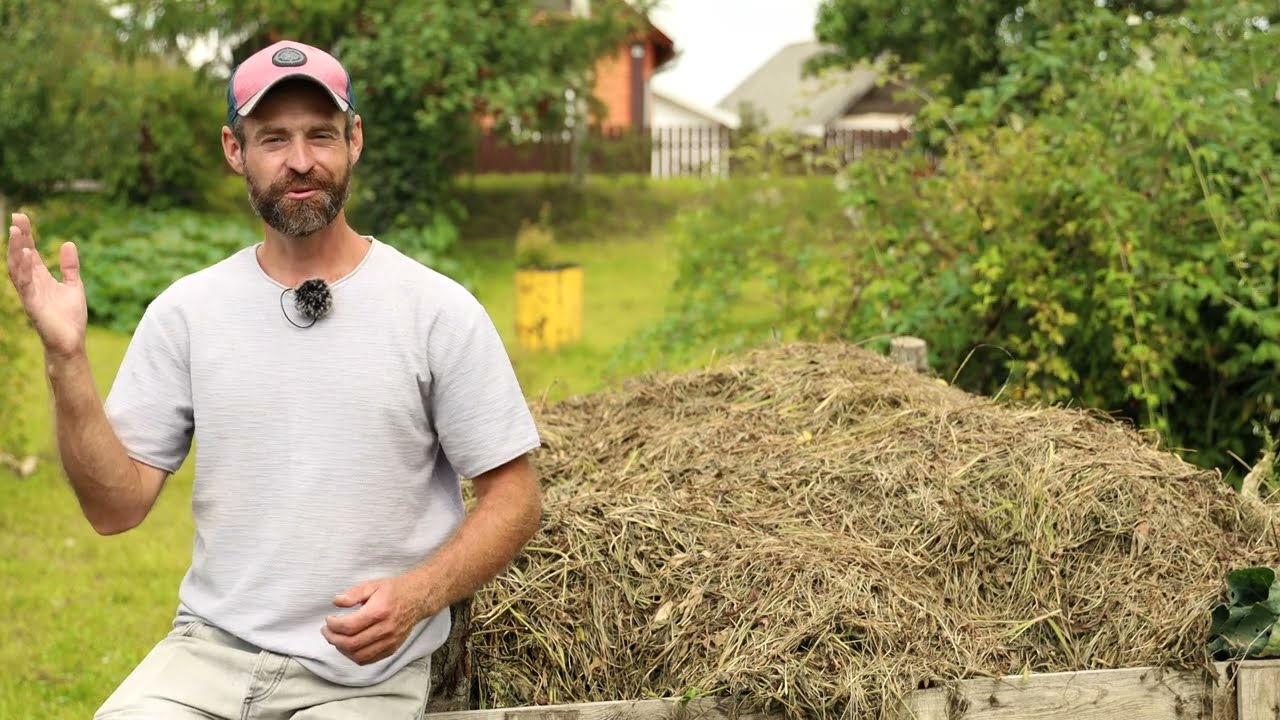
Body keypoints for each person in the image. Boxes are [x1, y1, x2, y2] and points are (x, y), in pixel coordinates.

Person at [6, 39, 543, 719]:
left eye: (321, 134)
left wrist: (419, 594)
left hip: (362, 675)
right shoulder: (188, 312)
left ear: (354, 140)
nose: (300, 161)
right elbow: (115, 508)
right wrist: (67, 358)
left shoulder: (434, 310)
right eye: (273, 138)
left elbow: (516, 498)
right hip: (207, 653)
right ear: (235, 149)